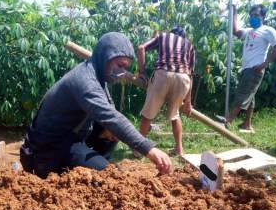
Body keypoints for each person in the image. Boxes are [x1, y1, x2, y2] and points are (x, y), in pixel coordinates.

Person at [20, 32, 172, 178]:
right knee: (107, 174)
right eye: (120, 65)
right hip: (47, 150)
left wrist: (110, 130)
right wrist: (149, 148)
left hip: (70, 138)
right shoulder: (84, 80)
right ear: (106, 57)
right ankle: (93, 172)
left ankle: (96, 166)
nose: (122, 71)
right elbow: (111, 117)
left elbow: (110, 110)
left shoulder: (97, 76)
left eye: (125, 68)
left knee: (111, 133)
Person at [219, 4, 276, 132]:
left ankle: (227, 122)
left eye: (256, 15)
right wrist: (235, 11)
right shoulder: (249, 31)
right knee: (250, 96)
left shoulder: (268, 30)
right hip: (247, 68)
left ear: (263, 17)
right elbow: (236, 31)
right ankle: (247, 124)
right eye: (251, 15)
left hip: (254, 69)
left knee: (242, 95)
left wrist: (264, 65)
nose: (253, 17)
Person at [136, 25, 195, 156]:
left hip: (163, 75)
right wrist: (188, 101)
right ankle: (179, 149)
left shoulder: (163, 36)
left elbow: (141, 48)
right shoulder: (189, 45)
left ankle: (138, 149)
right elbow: (190, 73)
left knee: (148, 114)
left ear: (171, 33)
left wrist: (142, 72)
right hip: (183, 79)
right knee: (175, 115)